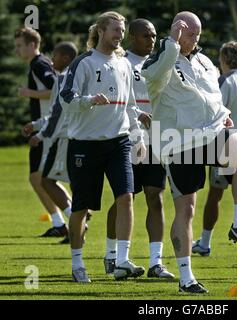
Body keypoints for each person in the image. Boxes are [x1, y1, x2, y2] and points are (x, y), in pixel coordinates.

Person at [142, 11, 237, 294]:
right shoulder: (158, 61)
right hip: (179, 143)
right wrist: (172, 42)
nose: (194, 40)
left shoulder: (206, 62)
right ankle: (186, 278)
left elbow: (212, 97)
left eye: (197, 35)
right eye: (189, 34)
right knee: (187, 209)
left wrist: (225, 116)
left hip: (211, 133)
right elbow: (156, 77)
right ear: (176, 31)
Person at [59, 11, 145, 283]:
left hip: (118, 143)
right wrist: (88, 100)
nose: (120, 35)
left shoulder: (124, 64)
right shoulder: (83, 62)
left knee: (126, 197)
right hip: (85, 145)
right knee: (82, 208)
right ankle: (77, 264)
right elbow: (65, 98)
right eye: (116, 31)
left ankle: (121, 260)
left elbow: (130, 104)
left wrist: (138, 132)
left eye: (122, 31)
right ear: (101, 32)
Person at [103, 19, 174, 279]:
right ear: (132, 36)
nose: (151, 40)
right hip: (129, 139)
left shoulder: (161, 63)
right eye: (146, 35)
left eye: (154, 35)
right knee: (125, 198)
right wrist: (136, 113)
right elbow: (117, 99)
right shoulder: (123, 62)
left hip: (156, 141)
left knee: (156, 198)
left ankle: (156, 263)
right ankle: (112, 255)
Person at [192, 41, 237, 259]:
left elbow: (217, 112)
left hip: (229, 146)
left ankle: (204, 242)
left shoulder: (226, 81)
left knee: (215, 196)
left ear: (224, 59)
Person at [27, 42, 80, 243]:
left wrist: (40, 135)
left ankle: (75, 221)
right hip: (74, 136)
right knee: (72, 183)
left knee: (46, 181)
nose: (51, 60)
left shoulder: (65, 77)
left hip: (63, 138)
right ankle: (76, 222)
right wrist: (36, 124)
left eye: (55, 56)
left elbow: (58, 113)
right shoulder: (73, 75)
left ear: (65, 58)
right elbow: (54, 113)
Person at [15, 28, 63, 235]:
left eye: (19, 46)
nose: (16, 50)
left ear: (32, 45)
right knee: (41, 177)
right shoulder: (38, 64)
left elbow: (55, 89)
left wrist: (29, 93)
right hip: (43, 126)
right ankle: (61, 221)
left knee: (40, 178)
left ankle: (66, 219)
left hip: (45, 129)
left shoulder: (39, 64)